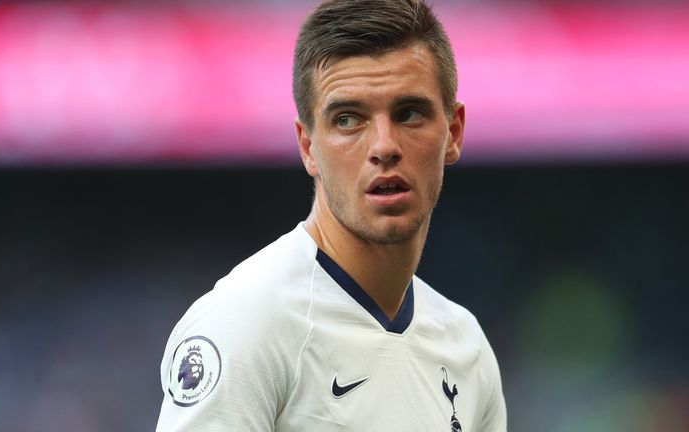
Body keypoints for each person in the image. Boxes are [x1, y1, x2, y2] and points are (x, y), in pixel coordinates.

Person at [155, 0, 506, 430]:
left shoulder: (466, 348)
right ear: (308, 148)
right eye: (348, 119)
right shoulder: (246, 325)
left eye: (409, 114)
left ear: (452, 133)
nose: (383, 146)